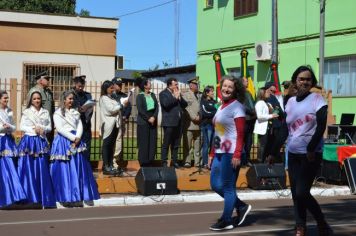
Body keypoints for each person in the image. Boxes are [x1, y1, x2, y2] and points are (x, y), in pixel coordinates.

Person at [285, 65, 332, 236]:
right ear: (295, 81)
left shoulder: (317, 99)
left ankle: (322, 223)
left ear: (312, 81)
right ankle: (300, 227)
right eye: (301, 79)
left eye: (308, 79)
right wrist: (271, 151)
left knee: (302, 192)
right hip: (293, 153)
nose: (305, 82)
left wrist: (311, 147)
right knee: (295, 194)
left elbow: (321, 126)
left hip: (310, 154)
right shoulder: (289, 101)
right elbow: (286, 128)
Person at [208, 76, 251, 231]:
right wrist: (212, 153)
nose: (226, 89)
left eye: (230, 87)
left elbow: (241, 133)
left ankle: (226, 220)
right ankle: (241, 206)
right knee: (215, 184)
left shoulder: (238, 107)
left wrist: (238, 154)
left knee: (227, 186)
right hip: (219, 152)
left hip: (231, 153)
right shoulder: (220, 107)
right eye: (224, 86)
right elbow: (218, 132)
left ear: (235, 90)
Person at [50, 91, 100, 204]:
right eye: (69, 99)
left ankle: (78, 194)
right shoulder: (57, 113)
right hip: (64, 140)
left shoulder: (75, 112)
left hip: (76, 140)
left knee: (78, 167)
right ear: (64, 100)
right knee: (65, 169)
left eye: (72, 99)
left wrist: (78, 137)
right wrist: (73, 138)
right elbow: (60, 128)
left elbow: (79, 125)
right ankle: (64, 196)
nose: (71, 101)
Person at [17, 91, 56, 208]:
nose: (37, 100)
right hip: (29, 141)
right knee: (29, 167)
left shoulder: (45, 112)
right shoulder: (27, 112)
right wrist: (33, 129)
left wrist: (42, 129)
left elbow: (49, 127)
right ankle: (29, 195)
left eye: (38, 98)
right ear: (31, 100)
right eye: (34, 99)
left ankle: (42, 196)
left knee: (42, 167)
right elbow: (21, 126)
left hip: (41, 141)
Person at [0, 90, 26, 208]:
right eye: (4, 98)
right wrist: (2, 128)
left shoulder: (9, 111)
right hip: (1, 139)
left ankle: (13, 195)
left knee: (10, 165)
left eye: (7, 98)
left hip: (8, 141)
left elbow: (14, 127)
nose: (6, 100)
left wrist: (8, 127)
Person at [159, 77, 188, 168]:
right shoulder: (163, 94)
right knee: (166, 143)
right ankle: (164, 162)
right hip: (169, 122)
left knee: (176, 143)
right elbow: (166, 105)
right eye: (175, 84)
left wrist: (179, 97)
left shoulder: (177, 93)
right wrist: (175, 98)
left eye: (177, 84)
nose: (177, 86)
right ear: (169, 85)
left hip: (178, 122)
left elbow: (185, 104)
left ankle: (174, 161)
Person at [99, 81, 125, 175]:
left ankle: (110, 165)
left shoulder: (111, 97)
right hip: (108, 125)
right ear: (106, 89)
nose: (113, 89)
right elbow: (111, 110)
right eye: (111, 88)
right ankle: (106, 166)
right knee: (106, 145)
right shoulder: (104, 98)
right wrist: (121, 105)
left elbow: (115, 107)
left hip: (115, 124)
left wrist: (119, 105)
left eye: (113, 88)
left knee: (111, 146)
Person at [27, 71, 55, 144]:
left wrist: (53, 122)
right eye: (46, 79)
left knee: (49, 145)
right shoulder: (34, 91)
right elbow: (28, 109)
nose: (48, 80)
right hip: (38, 125)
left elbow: (52, 108)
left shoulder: (49, 92)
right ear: (40, 80)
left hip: (49, 124)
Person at [136, 78, 159, 167]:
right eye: (149, 83)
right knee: (144, 142)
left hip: (153, 121)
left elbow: (157, 107)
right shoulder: (140, 96)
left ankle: (150, 160)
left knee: (152, 141)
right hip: (144, 121)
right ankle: (143, 161)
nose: (151, 84)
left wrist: (154, 117)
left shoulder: (153, 95)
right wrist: (148, 118)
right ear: (145, 86)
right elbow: (140, 109)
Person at [253, 88, 279, 163]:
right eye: (267, 92)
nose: (269, 93)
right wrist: (271, 116)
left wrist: (271, 110)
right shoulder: (260, 103)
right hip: (262, 129)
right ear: (262, 93)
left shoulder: (265, 103)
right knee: (262, 147)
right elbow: (260, 116)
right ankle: (260, 163)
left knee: (266, 146)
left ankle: (264, 163)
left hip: (267, 128)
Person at [111, 77, 132, 169]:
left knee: (119, 140)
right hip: (111, 121)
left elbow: (129, 107)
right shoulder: (110, 95)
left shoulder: (124, 95)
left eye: (120, 85)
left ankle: (116, 160)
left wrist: (125, 116)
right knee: (111, 141)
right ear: (113, 85)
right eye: (118, 84)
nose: (120, 86)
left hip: (121, 121)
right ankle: (110, 160)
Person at [182, 76, 202, 168]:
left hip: (199, 124)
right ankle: (187, 161)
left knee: (198, 145)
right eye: (195, 84)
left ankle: (197, 162)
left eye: (197, 84)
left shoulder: (200, 95)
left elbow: (203, 107)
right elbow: (187, 108)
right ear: (191, 85)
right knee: (188, 145)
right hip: (189, 124)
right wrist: (194, 117)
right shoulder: (185, 95)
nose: (197, 85)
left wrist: (200, 117)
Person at [72, 75, 94, 156]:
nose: (81, 88)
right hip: (75, 125)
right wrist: (78, 110)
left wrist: (88, 109)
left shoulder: (87, 95)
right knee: (75, 145)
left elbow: (90, 107)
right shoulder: (71, 95)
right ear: (75, 84)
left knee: (87, 146)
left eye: (82, 86)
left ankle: (86, 165)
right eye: (79, 86)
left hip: (86, 123)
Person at [239, 77, 256, 167]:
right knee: (242, 141)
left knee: (249, 142)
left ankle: (247, 160)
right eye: (246, 81)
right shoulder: (239, 93)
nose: (248, 82)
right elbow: (243, 106)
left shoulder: (249, 92)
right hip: (244, 119)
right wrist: (251, 111)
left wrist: (255, 111)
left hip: (251, 120)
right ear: (242, 83)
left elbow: (253, 103)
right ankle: (242, 160)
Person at [200, 85, 217, 169]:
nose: (213, 93)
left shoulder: (215, 102)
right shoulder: (203, 102)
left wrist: (213, 111)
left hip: (215, 126)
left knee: (213, 145)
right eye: (211, 91)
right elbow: (204, 113)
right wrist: (213, 111)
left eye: (213, 91)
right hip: (206, 125)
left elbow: (218, 111)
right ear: (207, 93)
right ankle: (205, 163)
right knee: (206, 144)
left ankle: (212, 162)